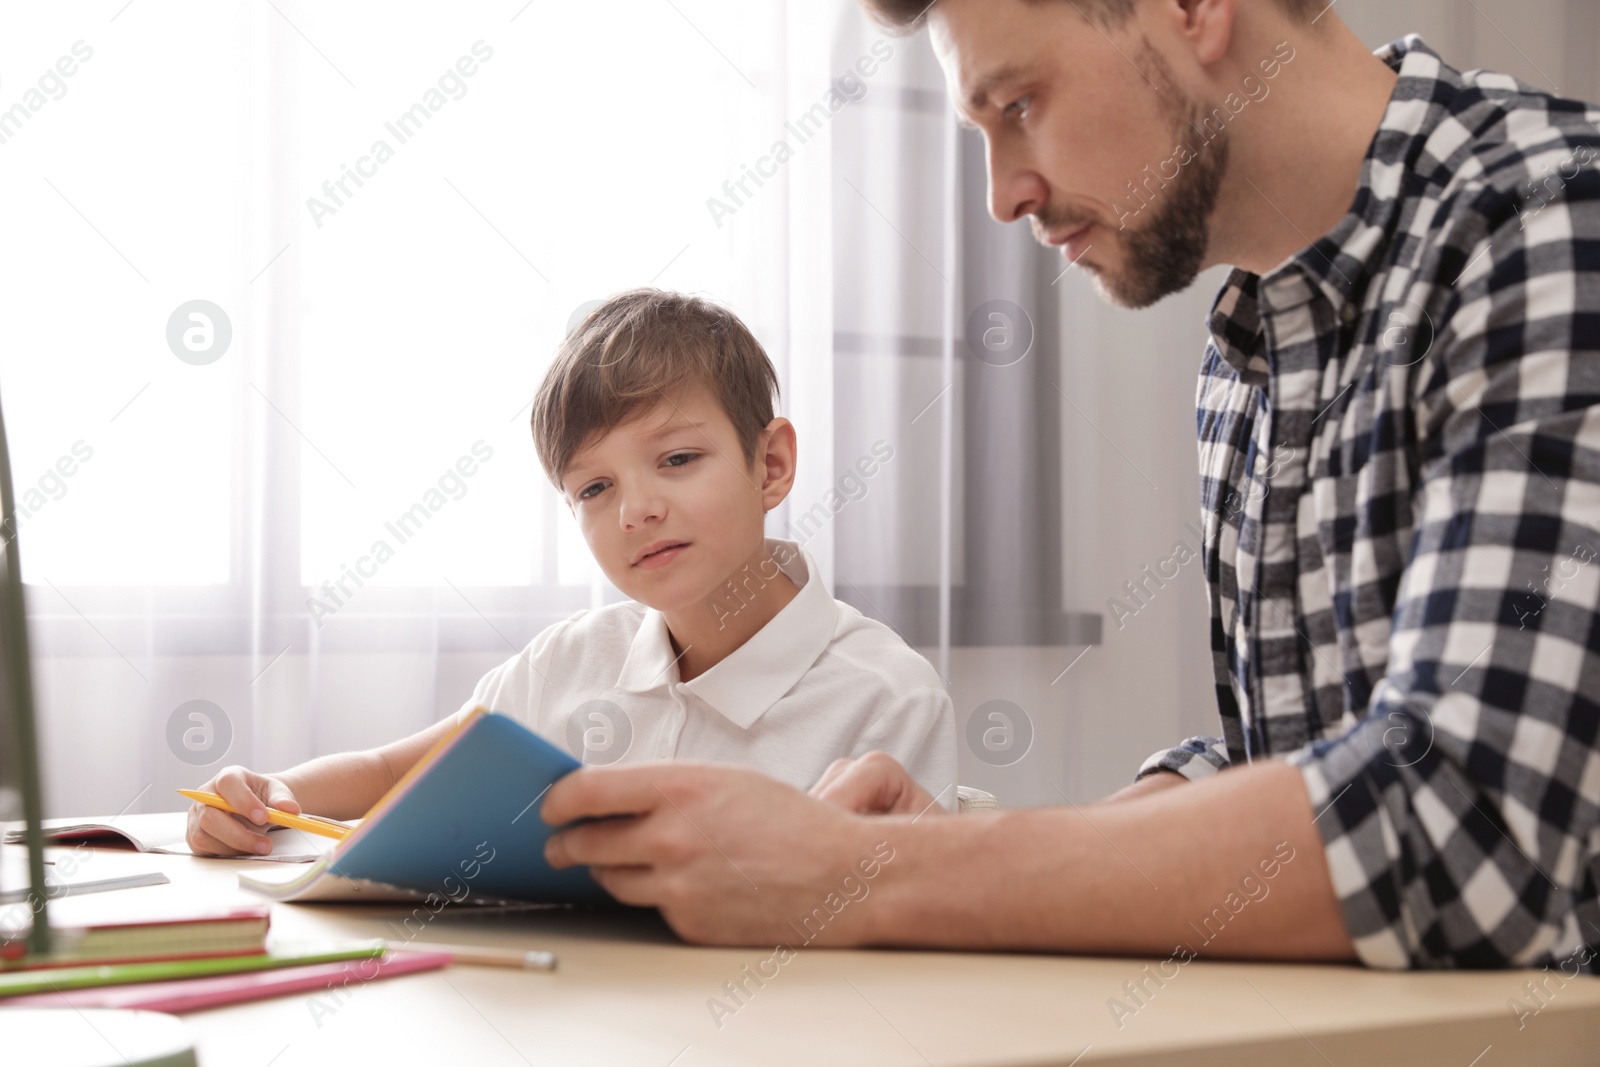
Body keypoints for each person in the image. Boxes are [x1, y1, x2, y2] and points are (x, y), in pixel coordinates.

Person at [542, 0, 1600, 972]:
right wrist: (950, 845)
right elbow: (1299, 757)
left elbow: (1459, 831)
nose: (1004, 195)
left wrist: (858, 876)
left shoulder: (1547, 220)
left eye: (1019, 105)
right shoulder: (1246, 345)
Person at [185, 289, 957, 857]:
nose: (635, 510)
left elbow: (914, 925)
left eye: (678, 459)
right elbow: (395, 768)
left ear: (772, 464)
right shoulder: (570, 659)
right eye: (595, 488)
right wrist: (268, 795)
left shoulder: (884, 697)